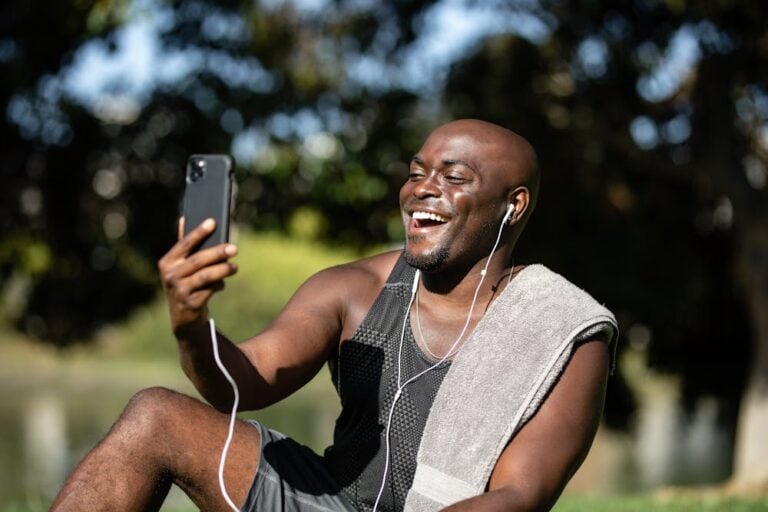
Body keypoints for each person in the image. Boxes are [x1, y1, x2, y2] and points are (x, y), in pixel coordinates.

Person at [50, 119, 616, 512]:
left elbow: (520, 497)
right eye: (417, 172)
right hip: (327, 501)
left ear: (513, 204)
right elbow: (240, 384)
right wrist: (191, 327)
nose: (422, 190)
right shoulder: (353, 288)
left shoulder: (563, 328)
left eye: (453, 178)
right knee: (155, 415)